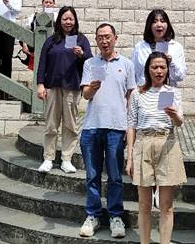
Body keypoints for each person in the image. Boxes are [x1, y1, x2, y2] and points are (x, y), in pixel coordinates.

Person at [78, 23, 135, 239]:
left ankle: (115, 216)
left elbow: (130, 96)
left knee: (115, 176)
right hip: (92, 126)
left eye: (107, 36)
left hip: (116, 127)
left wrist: (130, 126)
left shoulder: (126, 64)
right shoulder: (90, 63)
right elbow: (85, 95)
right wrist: (92, 88)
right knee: (92, 175)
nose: (104, 41)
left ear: (115, 38)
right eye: (100, 37)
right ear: (96, 40)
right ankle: (92, 215)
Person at [126, 52, 186, 244]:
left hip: (167, 143)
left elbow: (179, 122)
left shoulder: (173, 92)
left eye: (162, 67)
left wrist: (174, 115)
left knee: (166, 204)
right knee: (144, 204)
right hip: (143, 143)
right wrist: (129, 158)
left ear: (167, 70)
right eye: (155, 67)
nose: (159, 71)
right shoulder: (137, 93)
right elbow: (131, 125)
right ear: (148, 69)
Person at [36, 6, 91, 174]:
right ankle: (48, 158)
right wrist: (40, 84)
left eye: (71, 19)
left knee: (70, 125)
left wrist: (82, 54)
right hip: (52, 86)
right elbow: (42, 63)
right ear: (59, 20)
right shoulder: (52, 41)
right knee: (51, 124)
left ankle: (66, 159)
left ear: (75, 21)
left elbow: (90, 62)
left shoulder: (81, 39)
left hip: (72, 87)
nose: (68, 22)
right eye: (65, 18)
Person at [132, 9, 186, 87]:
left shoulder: (176, 47)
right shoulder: (140, 47)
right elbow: (133, 75)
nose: (159, 24)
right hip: (145, 91)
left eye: (162, 21)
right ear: (149, 25)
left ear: (168, 24)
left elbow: (180, 76)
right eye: (155, 21)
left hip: (167, 91)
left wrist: (171, 63)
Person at [19, 0, 57, 70]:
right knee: (37, 70)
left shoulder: (57, 16)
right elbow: (25, 30)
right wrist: (24, 45)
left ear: (54, 4)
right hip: (36, 48)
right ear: (42, 4)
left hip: (53, 48)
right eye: (46, 2)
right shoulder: (34, 16)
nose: (48, 4)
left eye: (50, 2)